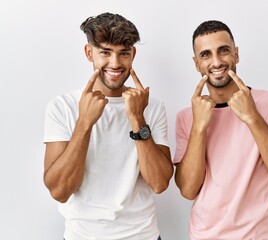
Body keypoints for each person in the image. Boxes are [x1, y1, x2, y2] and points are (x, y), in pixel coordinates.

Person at [43, 12, 173, 240]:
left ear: (132, 54)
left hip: (142, 235)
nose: (115, 63)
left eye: (123, 53)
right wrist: (84, 123)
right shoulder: (62, 106)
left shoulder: (151, 107)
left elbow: (160, 183)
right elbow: (59, 191)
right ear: (88, 52)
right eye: (105, 52)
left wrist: (137, 119)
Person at [173, 20, 268, 239]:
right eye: (206, 55)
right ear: (197, 64)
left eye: (223, 51)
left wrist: (252, 117)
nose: (216, 62)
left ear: (236, 54)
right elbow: (188, 190)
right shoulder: (187, 117)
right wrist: (199, 127)